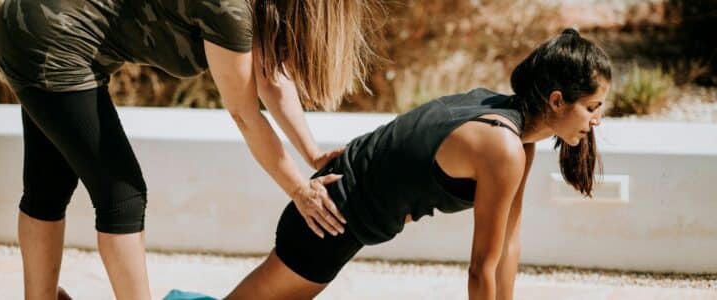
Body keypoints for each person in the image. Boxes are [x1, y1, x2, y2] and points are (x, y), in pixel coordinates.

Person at [0, 0, 381, 299]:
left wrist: (312, 154)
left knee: (48, 187)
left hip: (37, 26)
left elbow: (271, 80)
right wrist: (299, 190)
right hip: (50, 37)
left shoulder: (258, 10)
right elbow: (245, 115)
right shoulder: (231, 10)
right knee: (122, 195)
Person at [225, 28, 612, 300]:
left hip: (345, 219)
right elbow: (481, 268)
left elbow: (508, 244)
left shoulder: (517, 135)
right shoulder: (503, 148)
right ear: (557, 101)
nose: (597, 120)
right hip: (328, 219)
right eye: (592, 107)